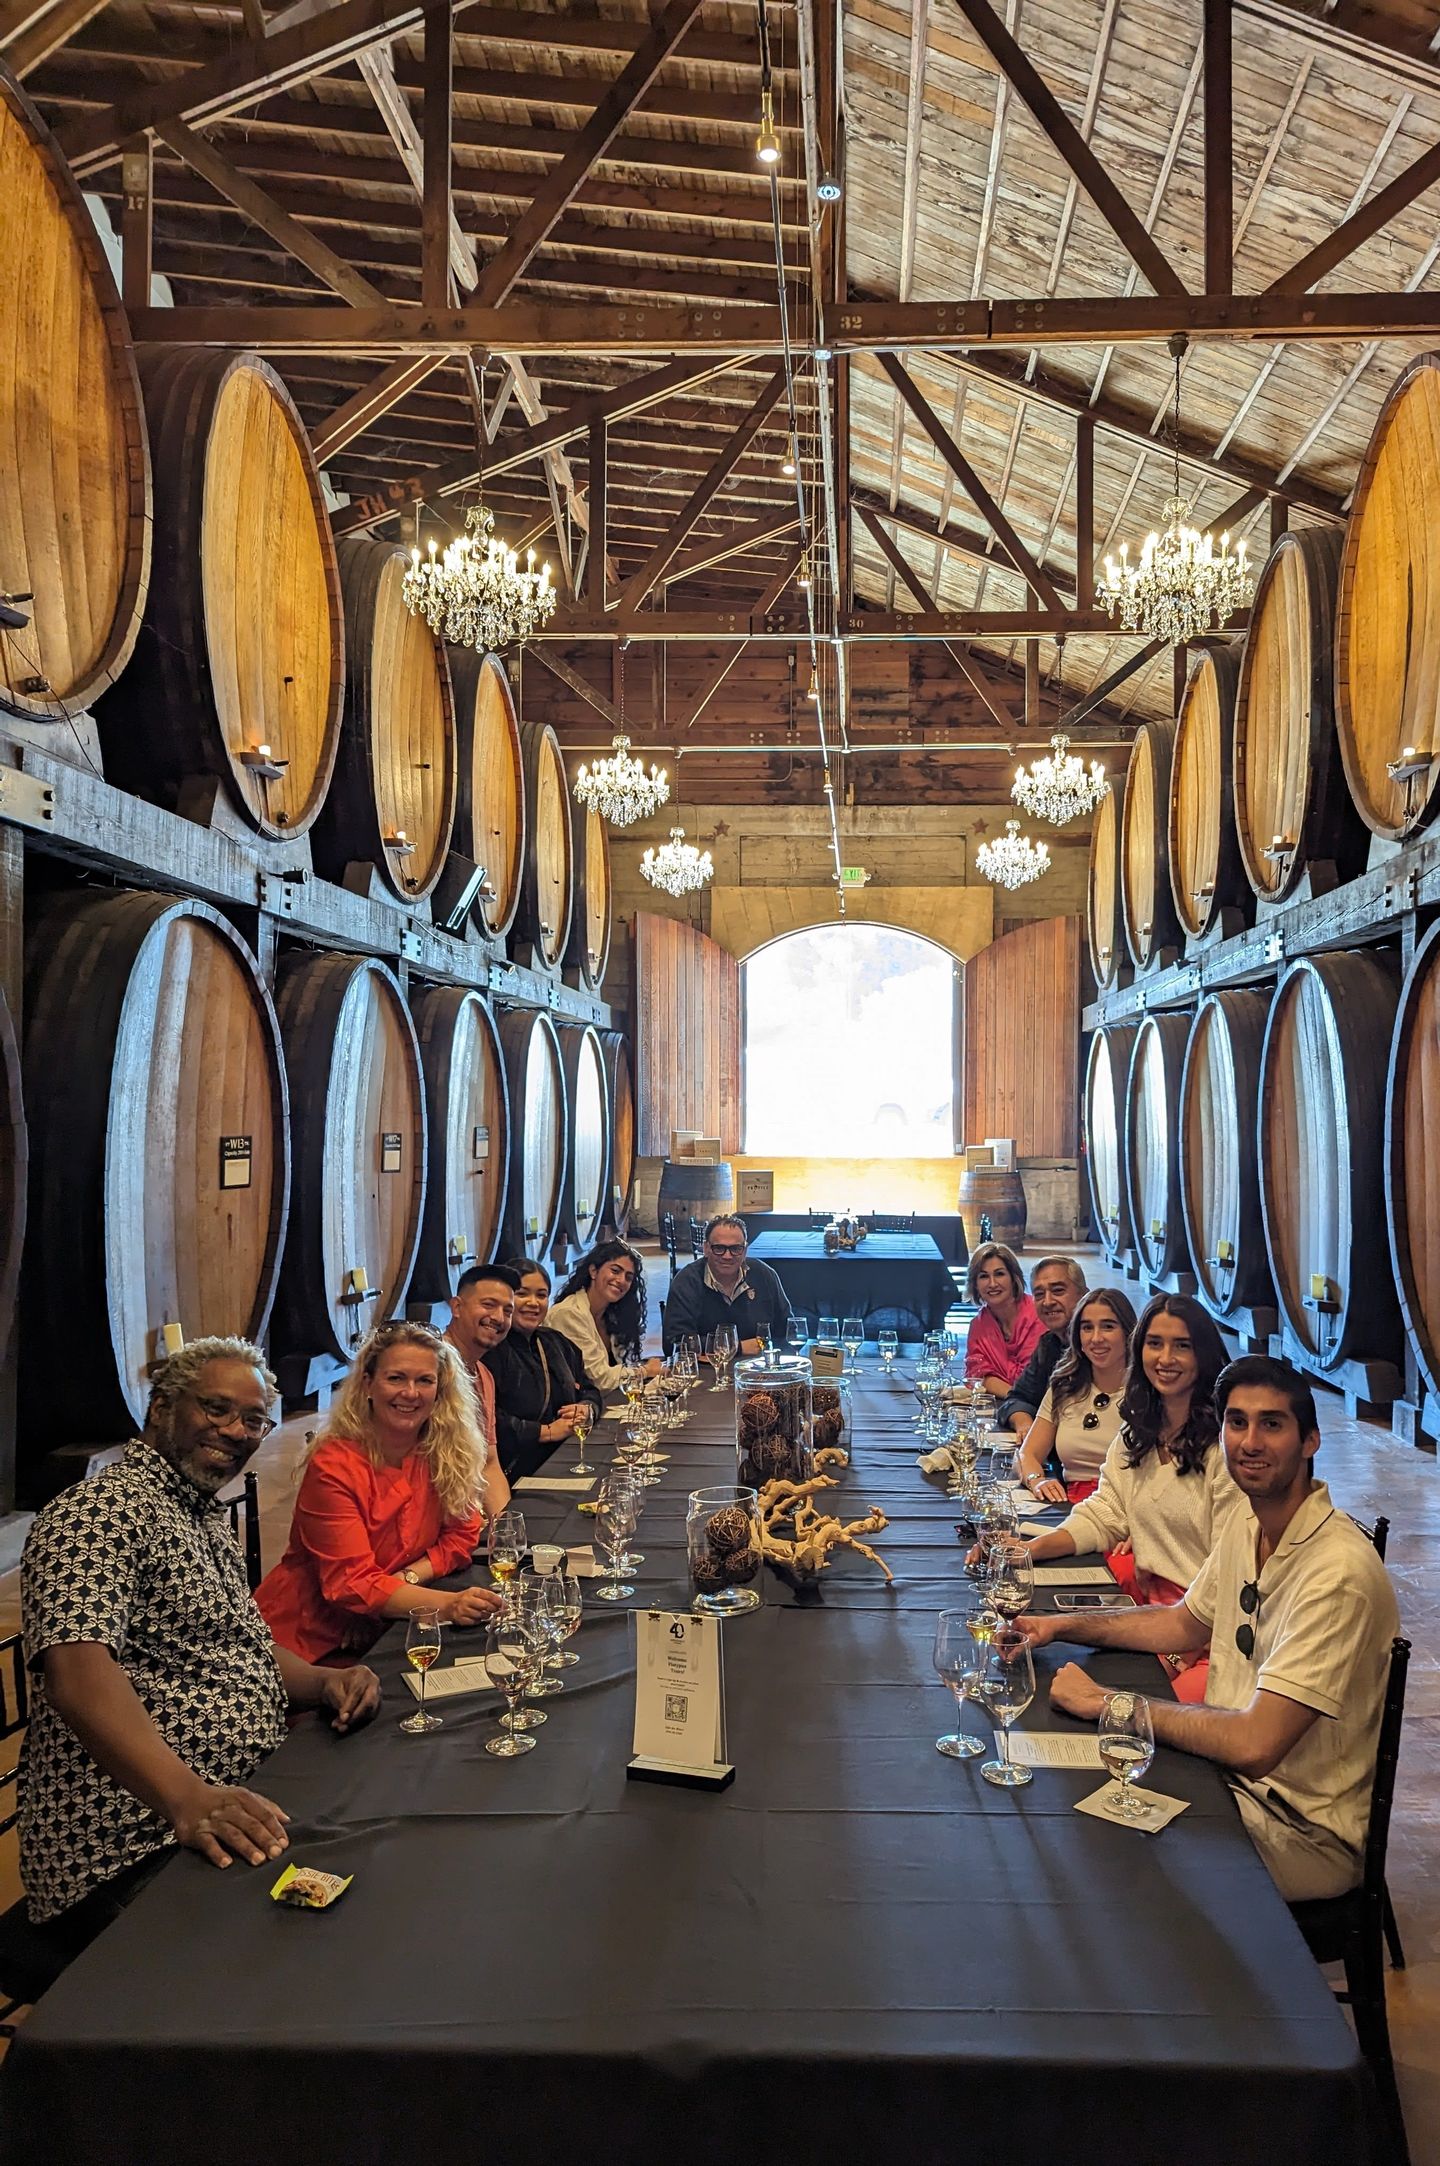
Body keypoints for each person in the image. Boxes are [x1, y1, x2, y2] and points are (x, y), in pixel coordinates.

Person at [17, 1338, 382, 1985]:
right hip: (128, 1841)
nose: (235, 1432)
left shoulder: (196, 1511)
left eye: (251, 1421)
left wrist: (325, 1678)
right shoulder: (97, 1512)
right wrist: (187, 1800)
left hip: (233, 1801)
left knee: (381, 1856)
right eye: (216, 1409)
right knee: (301, 1968)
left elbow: (245, 1648)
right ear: (160, 1408)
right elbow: (77, 1674)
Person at [1017, 1355, 1401, 1902]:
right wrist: (1061, 1625)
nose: (1250, 1441)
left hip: (1299, 1830)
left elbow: (1254, 1744)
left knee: (1092, 1847)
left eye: (1272, 1424)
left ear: (1311, 1440)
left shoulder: (1337, 1574)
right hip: (1232, 1784)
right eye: (1237, 1423)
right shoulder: (1253, 1520)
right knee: (1072, 1794)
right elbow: (1181, 1624)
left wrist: (1111, 1703)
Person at [1024, 1293, 1246, 1703]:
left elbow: (1229, 1579)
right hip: (1154, 1618)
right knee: (1044, 1683)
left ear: (1205, 1353)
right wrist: (1028, 1551)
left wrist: (1177, 1651)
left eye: (1182, 1345)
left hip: (1214, 1637)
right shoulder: (1139, 1433)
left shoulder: (1225, 1449)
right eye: (1155, 1343)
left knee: (1134, 1729)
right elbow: (1106, 1513)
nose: (1166, 1358)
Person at [257, 1322, 502, 1665]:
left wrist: (405, 1579)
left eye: (425, 1381)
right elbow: (351, 1584)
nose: (411, 1393)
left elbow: (462, 1535)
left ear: (440, 1391)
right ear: (368, 1385)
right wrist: (448, 1605)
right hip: (312, 1641)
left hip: (391, 1621)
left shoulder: (444, 1452)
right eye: (396, 1378)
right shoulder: (334, 1464)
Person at [1014, 1288, 1136, 1503]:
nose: (1096, 1338)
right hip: (1070, 1506)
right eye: (1087, 1328)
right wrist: (1037, 1480)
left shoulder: (1145, 1394)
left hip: (1127, 1507)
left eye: (1108, 1326)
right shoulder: (1065, 1387)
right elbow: (1027, 1455)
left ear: (1128, 1332)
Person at [484, 1257, 601, 1480]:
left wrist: (586, 1409)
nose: (533, 1303)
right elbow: (487, 1419)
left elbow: (588, 1388)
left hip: (566, 1457)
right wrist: (544, 1432)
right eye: (522, 1294)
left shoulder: (556, 1343)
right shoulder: (492, 1350)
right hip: (515, 1469)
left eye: (541, 1295)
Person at [442, 1264, 520, 1516]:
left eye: (507, 1311)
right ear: (456, 1307)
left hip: (468, 1519)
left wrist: (505, 1531)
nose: (498, 1317)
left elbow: (488, 1463)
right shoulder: (431, 1369)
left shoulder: (484, 1376)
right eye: (488, 1305)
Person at [662, 1213, 791, 1357]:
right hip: (706, 1372)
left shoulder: (764, 1275)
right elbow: (675, 1343)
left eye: (736, 1249)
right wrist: (737, 1347)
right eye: (719, 1248)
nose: (727, 1256)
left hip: (758, 1370)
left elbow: (787, 1330)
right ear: (706, 1248)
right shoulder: (686, 1282)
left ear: (745, 1250)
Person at [548, 1239, 660, 1395]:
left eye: (628, 1277)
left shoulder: (613, 1315)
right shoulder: (569, 1314)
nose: (621, 1280)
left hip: (606, 1403)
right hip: (574, 1408)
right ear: (593, 1271)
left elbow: (624, 1367)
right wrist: (646, 1371)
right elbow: (599, 1380)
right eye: (615, 1271)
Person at [998, 1256, 1088, 1437]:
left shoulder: (1099, 1347)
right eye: (1039, 1294)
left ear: (1084, 1295)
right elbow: (1018, 1397)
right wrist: (1023, 1422)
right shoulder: (1050, 1344)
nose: (1047, 1301)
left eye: (1058, 1290)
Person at [963, 1241, 1043, 1394]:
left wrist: (992, 1377)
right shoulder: (978, 1325)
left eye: (999, 1274)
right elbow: (975, 1377)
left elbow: (1029, 1381)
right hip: (1000, 1404)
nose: (992, 1284)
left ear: (1014, 1278)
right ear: (975, 1284)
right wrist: (1013, 1397)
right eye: (984, 1276)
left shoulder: (1037, 1315)